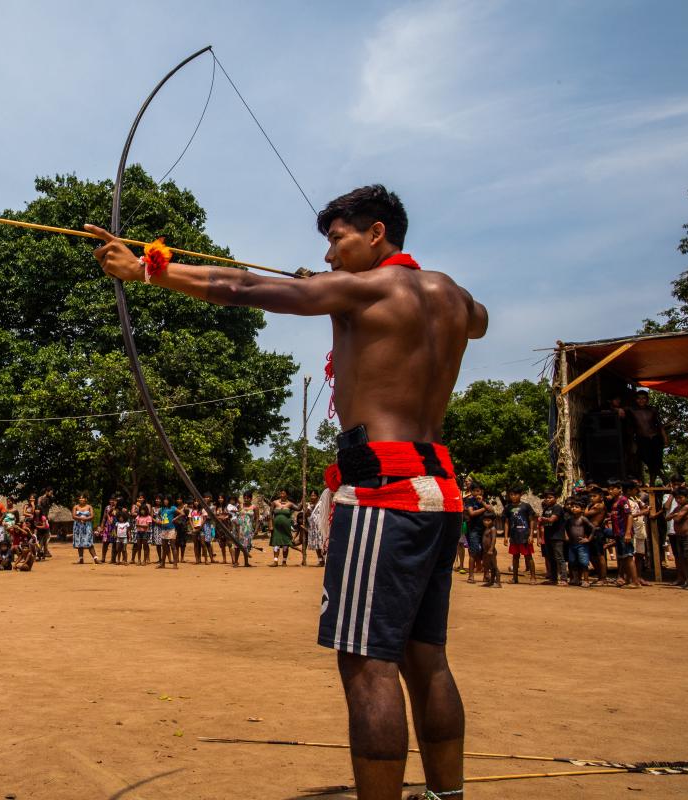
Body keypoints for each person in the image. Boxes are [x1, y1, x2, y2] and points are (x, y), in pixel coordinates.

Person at [89, 182, 487, 798]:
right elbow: (479, 324)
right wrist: (337, 291)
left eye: (337, 240)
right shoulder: (453, 296)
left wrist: (146, 268)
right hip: (439, 486)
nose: (329, 257)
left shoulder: (366, 287)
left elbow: (244, 288)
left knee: (366, 661)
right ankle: (447, 796)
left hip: (382, 491)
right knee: (424, 655)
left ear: (376, 233)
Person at [628, 390, 667, 484]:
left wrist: (665, 437)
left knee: (657, 460)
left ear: (647, 399)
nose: (641, 400)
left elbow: (660, 425)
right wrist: (619, 410)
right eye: (639, 398)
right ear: (636, 400)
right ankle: (663, 477)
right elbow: (618, 408)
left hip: (655, 437)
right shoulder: (632, 410)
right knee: (647, 459)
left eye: (643, 398)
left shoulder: (652, 409)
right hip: (642, 438)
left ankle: (652, 482)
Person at [502, 487, 536, 584]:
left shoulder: (526, 506)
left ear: (520, 495)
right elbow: (506, 522)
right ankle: (515, 578)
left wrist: (531, 535)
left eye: (515, 494)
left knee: (528, 556)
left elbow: (531, 520)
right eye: (511, 495)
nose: (513, 496)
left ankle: (533, 577)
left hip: (525, 535)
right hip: (514, 536)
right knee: (515, 557)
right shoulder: (508, 507)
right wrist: (505, 536)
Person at [607, 481, 638, 588]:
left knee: (628, 557)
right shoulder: (615, 501)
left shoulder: (623, 500)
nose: (610, 491)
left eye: (612, 488)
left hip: (624, 532)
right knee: (623, 557)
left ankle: (635, 582)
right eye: (609, 489)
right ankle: (627, 579)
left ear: (619, 489)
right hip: (618, 533)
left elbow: (629, 516)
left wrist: (628, 533)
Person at [538, 489, 567, 586]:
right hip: (548, 536)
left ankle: (564, 579)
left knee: (559, 558)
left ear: (556, 498)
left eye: (550, 498)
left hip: (557, 536)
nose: (548, 499)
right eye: (546, 498)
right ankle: (553, 579)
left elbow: (552, 519)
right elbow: (542, 522)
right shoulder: (546, 508)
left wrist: (542, 519)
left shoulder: (557, 508)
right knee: (551, 558)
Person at [666, 490, 688, 589]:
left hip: (687, 536)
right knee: (683, 559)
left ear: (687, 497)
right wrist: (675, 514)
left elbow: (677, 519)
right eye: (677, 498)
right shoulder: (678, 507)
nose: (678, 500)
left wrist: (674, 515)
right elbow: (667, 517)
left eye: (681, 498)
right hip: (679, 536)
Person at [564, 497, 594, 587]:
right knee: (572, 561)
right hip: (572, 544)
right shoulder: (569, 519)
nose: (573, 508)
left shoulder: (583, 519)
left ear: (582, 509)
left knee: (584, 562)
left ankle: (586, 580)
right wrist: (566, 536)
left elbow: (593, 528)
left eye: (576, 507)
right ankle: (576, 579)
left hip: (582, 544)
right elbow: (564, 528)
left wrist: (588, 539)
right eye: (573, 507)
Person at [585, 485, 611, 585]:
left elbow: (586, 514)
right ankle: (600, 575)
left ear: (600, 497)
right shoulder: (594, 505)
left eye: (594, 496)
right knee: (592, 555)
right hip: (591, 531)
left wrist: (587, 506)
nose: (592, 498)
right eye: (591, 496)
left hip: (597, 531)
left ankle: (603, 578)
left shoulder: (600, 505)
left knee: (600, 555)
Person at [270, 489, 297, 566]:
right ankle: (275, 561)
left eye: (284, 493)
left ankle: (284, 561)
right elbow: (270, 514)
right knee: (276, 543)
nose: (282, 495)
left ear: (287, 495)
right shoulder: (274, 502)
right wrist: (270, 525)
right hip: (276, 527)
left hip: (286, 527)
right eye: (281, 493)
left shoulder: (290, 504)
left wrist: (302, 501)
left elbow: (298, 508)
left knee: (286, 544)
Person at [72, 495, 96, 564]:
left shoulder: (89, 507)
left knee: (89, 541)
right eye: (80, 498)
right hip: (78, 527)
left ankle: (95, 558)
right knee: (79, 542)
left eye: (82, 498)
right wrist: (81, 519)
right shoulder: (75, 507)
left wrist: (86, 519)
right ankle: (81, 559)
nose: (81, 499)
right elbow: (73, 516)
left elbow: (92, 516)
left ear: (86, 499)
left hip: (87, 526)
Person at [480, 513, 501, 588]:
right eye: (484, 520)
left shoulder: (493, 529)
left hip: (491, 551)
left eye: (488, 520)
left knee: (494, 566)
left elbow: (493, 539)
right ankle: (491, 581)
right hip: (486, 551)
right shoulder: (486, 529)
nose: (486, 522)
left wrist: (491, 549)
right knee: (490, 566)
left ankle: (498, 582)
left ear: (493, 521)